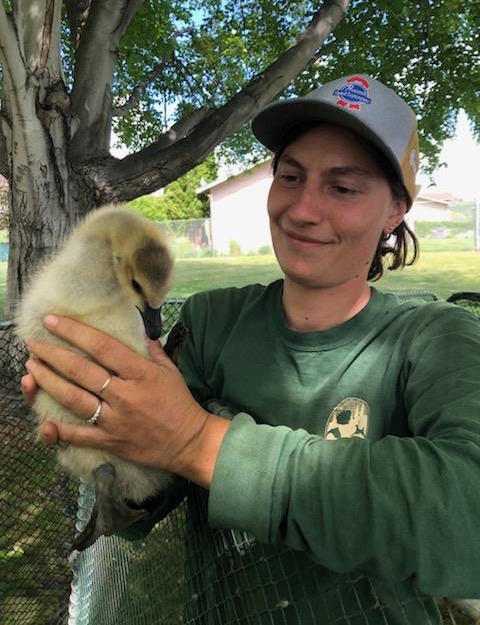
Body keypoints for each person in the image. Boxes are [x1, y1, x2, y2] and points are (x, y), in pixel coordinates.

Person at [22, 74, 480, 624]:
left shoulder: (437, 338)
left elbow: (467, 511)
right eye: (290, 176)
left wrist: (196, 438)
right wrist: (106, 442)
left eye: (343, 187)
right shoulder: (213, 320)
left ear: (395, 211)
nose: (302, 209)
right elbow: (146, 498)